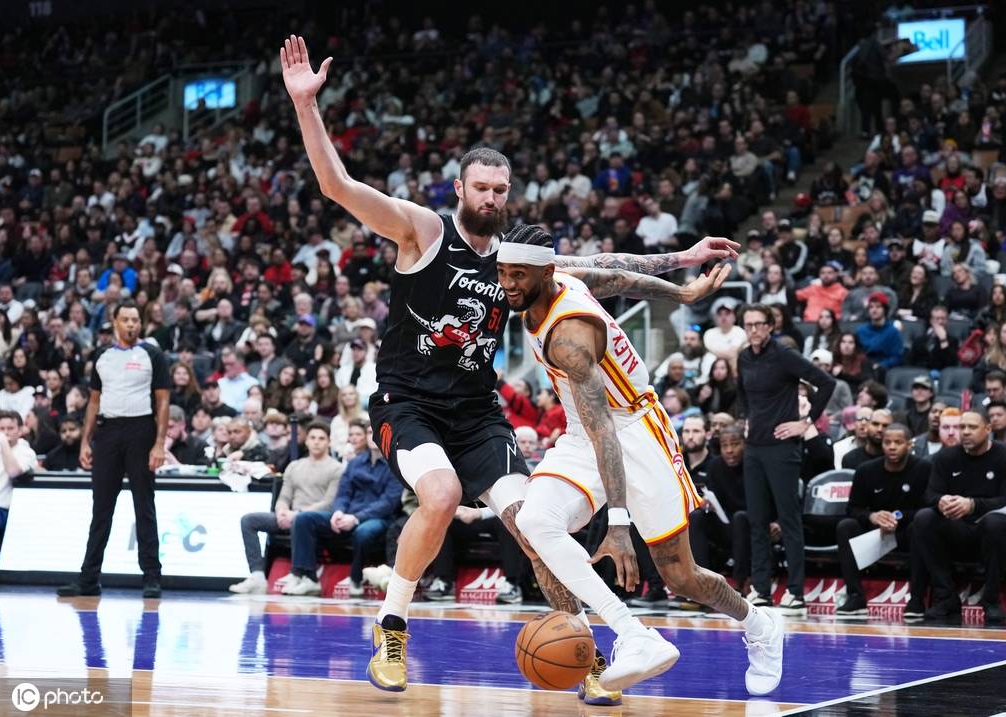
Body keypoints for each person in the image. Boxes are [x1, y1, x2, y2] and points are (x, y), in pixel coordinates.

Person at [279, 34, 741, 698]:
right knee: (440, 495)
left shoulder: (516, 262)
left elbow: (603, 270)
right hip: (408, 404)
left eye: (501, 189)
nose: (492, 198)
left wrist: (681, 262)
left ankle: (589, 647)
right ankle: (391, 625)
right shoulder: (422, 231)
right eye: (482, 187)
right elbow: (337, 185)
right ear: (459, 188)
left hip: (476, 413)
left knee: (533, 526)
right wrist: (306, 105)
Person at [499, 225, 784, 697]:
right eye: (503, 272)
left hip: (635, 430)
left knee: (679, 575)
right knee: (535, 521)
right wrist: (683, 271)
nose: (508, 283)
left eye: (518, 275)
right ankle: (633, 634)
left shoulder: (569, 337)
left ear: (544, 272)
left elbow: (606, 432)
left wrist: (617, 524)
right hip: (583, 429)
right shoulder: (557, 276)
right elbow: (616, 271)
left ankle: (760, 624)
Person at [57, 301, 171, 598]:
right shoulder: (102, 356)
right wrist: (85, 441)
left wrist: (159, 443)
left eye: (135, 320)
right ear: (115, 322)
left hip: (141, 430)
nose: (131, 324)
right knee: (101, 508)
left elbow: (163, 401)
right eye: (126, 319)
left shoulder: (153, 355)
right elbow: (93, 402)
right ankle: (88, 579)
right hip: (107, 433)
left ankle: (151, 577)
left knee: (144, 505)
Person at [737, 303, 836, 616]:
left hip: (783, 448)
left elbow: (826, 383)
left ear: (770, 326)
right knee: (756, 521)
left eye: (759, 324)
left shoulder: (784, 355)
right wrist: (746, 418)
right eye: (748, 324)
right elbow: (742, 392)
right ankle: (761, 589)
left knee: (789, 519)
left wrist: (805, 423)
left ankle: (795, 592)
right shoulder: (743, 357)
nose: (753, 329)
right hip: (754, 447)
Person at [282, 424, 402, 596]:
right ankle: (308, 577)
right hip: (347, 515)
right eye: (370, 432)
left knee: (364, 531)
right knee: (304, 519)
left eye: (377, 432)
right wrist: (338, 511)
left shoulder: (395, 466)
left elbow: (388, 503)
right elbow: (343, 493)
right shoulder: (355, 463)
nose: (373, 435)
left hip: (379, 518)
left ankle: (356, 578)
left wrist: (355, 518)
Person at [912, 409, 1006, 624]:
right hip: (957, 527)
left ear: (988, 429)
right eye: (962, 427)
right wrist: (941, 501)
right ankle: (946, 597)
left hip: (991, 530)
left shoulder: (1003, 456)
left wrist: (972, 505)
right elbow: (929, 494)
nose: (965, 432)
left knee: (995, 523)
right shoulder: (946, 456)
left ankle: (991, 600)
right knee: (924, 518)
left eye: (972, 427)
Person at [230, 421, 344, 594]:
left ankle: (298, 574)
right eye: (313, 438)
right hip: (290, 516)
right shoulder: (294, 466)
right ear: (306, 441)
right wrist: (281, 512)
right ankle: (257, 575)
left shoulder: (337, 469)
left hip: (316, 519)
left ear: (329, 442)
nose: (316, 442)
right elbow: (284, 496)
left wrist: (296, 514)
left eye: (321, 438)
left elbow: (328, 503)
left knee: (301, 520)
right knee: (249, 520)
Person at [835, 423, 929, 617]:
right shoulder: (866, 470)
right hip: (877, 533)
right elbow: (853, 508)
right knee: (846, 526)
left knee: (921, 524)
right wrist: (873, 516)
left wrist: (897, 517)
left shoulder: (923, 468)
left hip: (906, 532)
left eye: (898, 442)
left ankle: (916, 600)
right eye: (887, 442)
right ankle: (855, 596)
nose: (892, 447)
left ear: (909, 444)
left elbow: (928, 508)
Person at [690, 425, 752, 595]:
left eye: (735, 444)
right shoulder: (715, 465)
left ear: (745, 444)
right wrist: (707, 504)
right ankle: (702, 583)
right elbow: (713, 496)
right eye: (725, 446)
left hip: (750, 524)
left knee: (740, 518)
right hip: (724, 523)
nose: (729, 450)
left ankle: (739, 583)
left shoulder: (752, 464)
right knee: (696, 516)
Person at [0, 412, 38, 564]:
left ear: (20, 430)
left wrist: (4, 444)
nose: (5, 432)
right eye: (2, 428)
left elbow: (13, 471)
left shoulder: (26, 452)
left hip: (0, 510)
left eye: (10, 428)